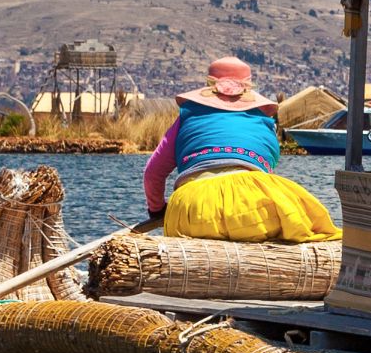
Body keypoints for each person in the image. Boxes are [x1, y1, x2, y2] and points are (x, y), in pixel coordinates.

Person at [143, 57, 341, 242]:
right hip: (254, 205)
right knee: (307, 220)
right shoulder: (264, 121)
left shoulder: (188, 118)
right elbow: (264, 168)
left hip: (193, 209)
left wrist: (157, 210)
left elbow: (153, 174)